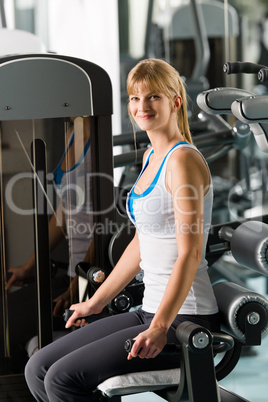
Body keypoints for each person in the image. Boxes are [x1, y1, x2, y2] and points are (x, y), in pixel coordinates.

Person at [25, 58, 220, 402]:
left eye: (153, 97)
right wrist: (96, 302)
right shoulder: (151, 157)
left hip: (184, 320)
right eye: (134, 98)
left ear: (175, 102)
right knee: (38, 366)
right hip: (149, 308)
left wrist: (160, 326)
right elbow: (141, 244)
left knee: (62, 380)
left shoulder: (183, 161)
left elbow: (190, 254)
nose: (141, 106)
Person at [1, 116, 94, 365]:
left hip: (91, 282)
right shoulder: (73, 131)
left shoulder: (99, 134)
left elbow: (106, 226)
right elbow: (66, 212)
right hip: (72, 277)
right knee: (6, 313)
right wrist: (32, 264)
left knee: (6, 326)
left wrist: (80, 284)